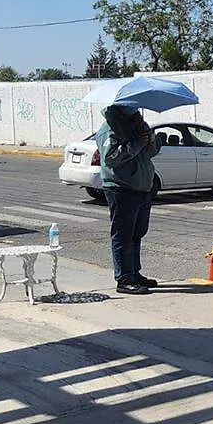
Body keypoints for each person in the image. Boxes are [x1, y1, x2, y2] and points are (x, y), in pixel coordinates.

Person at [95, 103, 161, 294]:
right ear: (120, 107)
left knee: (137, 233)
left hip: (141, 187)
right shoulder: (110, 128)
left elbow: (150, 153)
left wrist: (149, 136)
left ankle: (134, 272)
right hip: (121, 188)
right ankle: (124, 278)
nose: (136, 110)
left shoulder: (135, 125)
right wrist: (138, 142)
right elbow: (111, 158)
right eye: (131, 106)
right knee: (123, 235)